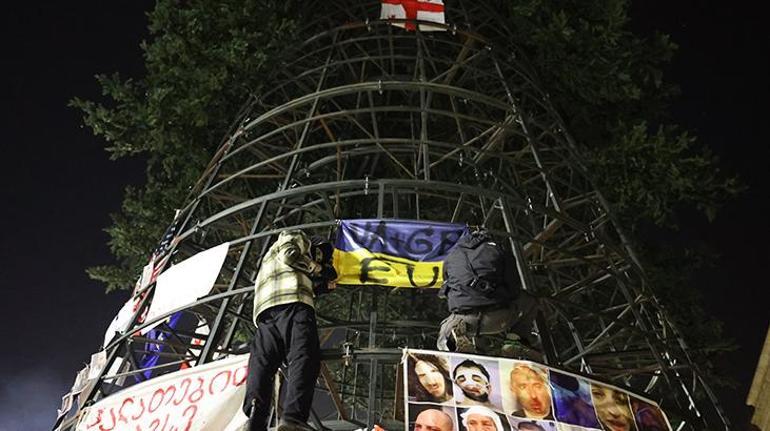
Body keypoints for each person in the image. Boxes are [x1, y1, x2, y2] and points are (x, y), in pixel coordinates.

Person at [243, 229, 332, 431]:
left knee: (263, 365)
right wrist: (318, 269)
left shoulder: (269, 259)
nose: (319, 260)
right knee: (303, 356)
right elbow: (290, 256)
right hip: (294, 305)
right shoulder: (299, 237)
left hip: (265, 312)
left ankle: (255, 420)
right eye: (320, 255)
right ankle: (293, 418)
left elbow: (290, 273)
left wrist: (319, 288)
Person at [437, 229, 538, 357]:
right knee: (530, 301)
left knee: (444, 331)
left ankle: (452, 348)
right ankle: (514, 341)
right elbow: (514, 286)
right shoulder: (500, 250)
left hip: (467, 322)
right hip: (500, 317)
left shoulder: (451, 258)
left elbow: (446, 290)